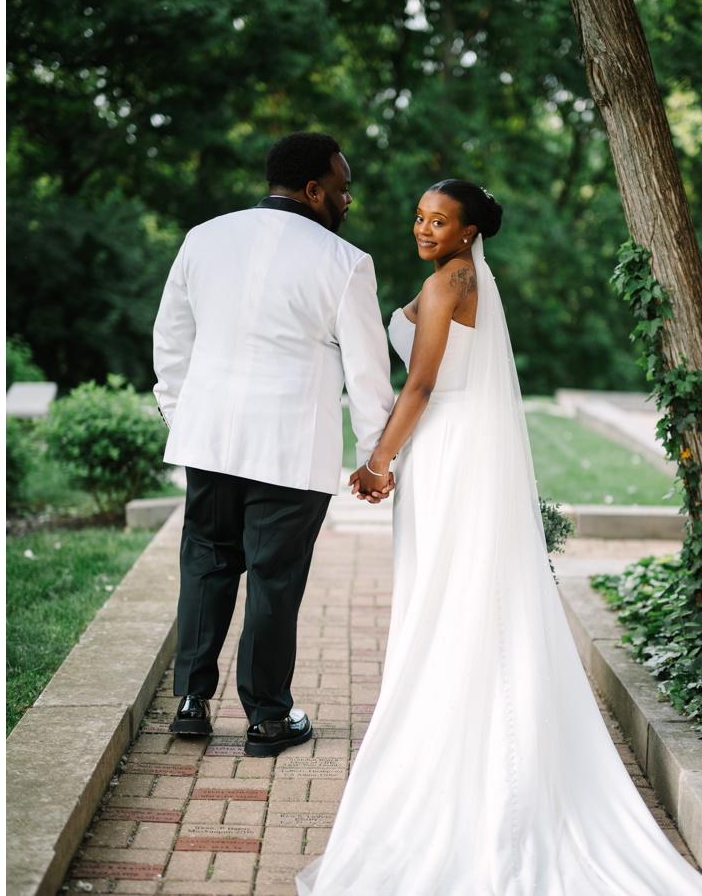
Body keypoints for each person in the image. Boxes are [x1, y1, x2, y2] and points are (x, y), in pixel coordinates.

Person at [298, 181, 702, 894]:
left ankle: (467, 764)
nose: (423, 228)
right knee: (466, 595)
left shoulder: (448, 282)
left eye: (440, 221)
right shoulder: (467, 278)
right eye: (419, 216)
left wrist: (377, 462)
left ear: (470, 231)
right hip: (460, 448)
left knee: (446, 597)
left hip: (444, 449)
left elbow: (421, 386)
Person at [152, 131, 395, 754]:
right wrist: (375, 457)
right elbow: (368, 374)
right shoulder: (345, 262)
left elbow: (171, 338)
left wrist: (181, 415)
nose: (348, 200)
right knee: (273, 579)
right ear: (314, 190)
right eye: (342, 188)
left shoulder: (204, 237)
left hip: (209, 441)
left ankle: (191, 703)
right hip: (290, 448)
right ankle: (265, 719)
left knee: (206, 563)